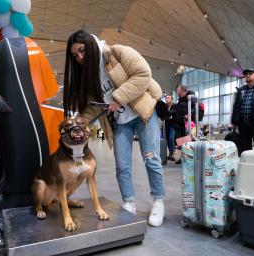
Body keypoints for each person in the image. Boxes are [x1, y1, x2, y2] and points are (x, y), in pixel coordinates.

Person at [63, 30, 165, 226]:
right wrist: (76, 124)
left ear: (91, 45)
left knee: (151, 158)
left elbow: (143, 74)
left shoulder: (117, 53)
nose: (80, 57)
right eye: (75, 55)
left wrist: (118, 98)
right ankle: (128, 203)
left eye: (82, 51)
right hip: (120, 122)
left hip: (144, 114)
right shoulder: (88, 75)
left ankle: (158, 201)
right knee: (122, 165)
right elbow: (92, 108)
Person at [170, 85, 204, 164]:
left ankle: (189, 158)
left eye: (178, 90)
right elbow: (179, 110)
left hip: (188, 124)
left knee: (188, 141)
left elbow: (196, 107)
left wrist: (189, 114)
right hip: (181, 123)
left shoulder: (191, 97)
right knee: (181, 141)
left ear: (182, 91)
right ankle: (183, 158)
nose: (177, 92)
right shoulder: (181, 99)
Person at [164, 94, 176, 161]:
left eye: (168, 98)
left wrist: (169, 115)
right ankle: (171, 153)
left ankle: (173, 152)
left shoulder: (174, 105)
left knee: (171, 138)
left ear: (171, 99)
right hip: (166, 125)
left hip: (173, 124)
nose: (167, 99)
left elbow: (174, 112)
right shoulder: (165, 106)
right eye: (166, 98)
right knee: (167, 139)